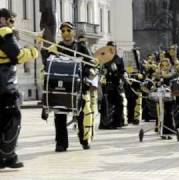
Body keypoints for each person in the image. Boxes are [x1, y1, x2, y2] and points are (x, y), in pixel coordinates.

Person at [46, 22, 96, 151]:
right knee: (59, 115)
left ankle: (85, 139)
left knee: (84, 113)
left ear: (73, 32)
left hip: (79, 86)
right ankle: (61, 143)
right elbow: (48, 62)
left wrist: (87, 76)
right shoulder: (57, 47)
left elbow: (92, 63)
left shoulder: (81, 47)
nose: (65, 33)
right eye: (63, 31)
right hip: (62, 87)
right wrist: (42, 49)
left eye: (68, 30)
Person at [0, 8, 39, 168]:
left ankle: (7, 157)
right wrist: (36, 50)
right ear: (4, 20)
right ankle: (6, 155)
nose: (13, 25)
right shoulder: (4, 32)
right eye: (12, 21)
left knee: (3, 122)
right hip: (5, 85)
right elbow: (18, 55)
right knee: (13, 120)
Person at [99, 41, 128, 129]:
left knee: (119, 102)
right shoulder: (103, 58)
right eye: (109, 47)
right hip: (106, 84)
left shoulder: (119, 59)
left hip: (116, 84)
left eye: (113, 47)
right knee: (106, 104)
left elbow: (122, 71)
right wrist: (102, 74)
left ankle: (118, 122)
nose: (111, 49)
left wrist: (116, 72)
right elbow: (99, 70)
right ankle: (106, 123)